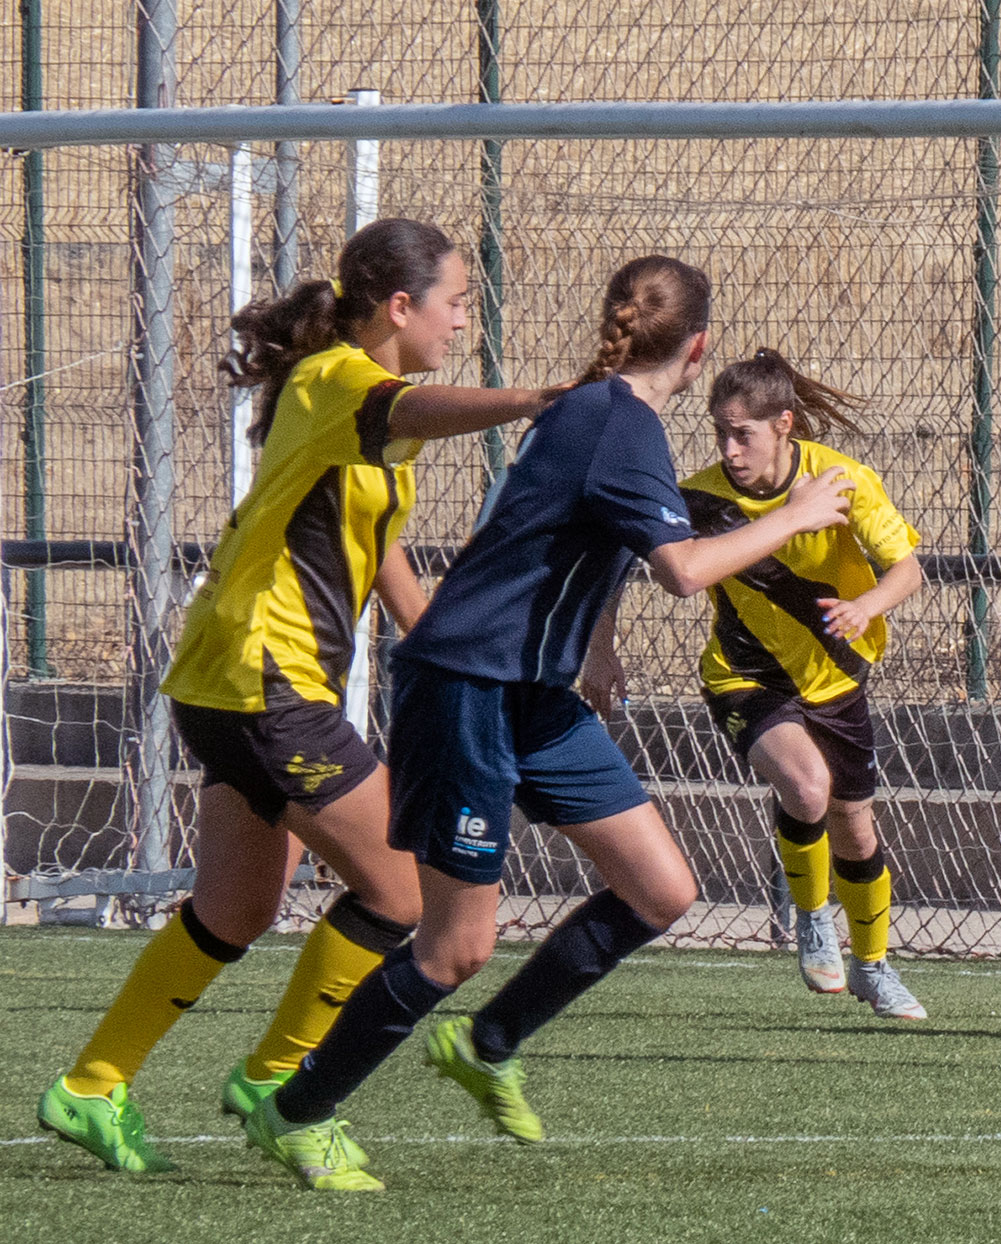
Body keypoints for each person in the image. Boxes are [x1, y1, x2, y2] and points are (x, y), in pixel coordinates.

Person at [243, 255, 856, 1191]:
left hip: (532, 690)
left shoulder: (601, 415)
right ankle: (297, 1111)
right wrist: (796, 512)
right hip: (467, 686)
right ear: (698, 349)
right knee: (455, 945)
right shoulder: (618, 424)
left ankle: (488, 1042)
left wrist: (593, 644)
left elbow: (582, 539)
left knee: (660, 890)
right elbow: (682, 570)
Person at [35, 218, 560, 1173]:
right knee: (401, 888)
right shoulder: (338, 382)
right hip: (263, 678)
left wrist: (448, 650)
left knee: (235, 908)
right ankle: (278, 1078)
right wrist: (538, 400)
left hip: (235, 680)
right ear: (398, 308)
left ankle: (92, 1085)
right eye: (453, 304)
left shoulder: (366, 413)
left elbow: (380, 550)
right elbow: (413, 407)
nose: (460, 323)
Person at [660, 348, 926, 1017]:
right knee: (807, 788)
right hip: (744, 676)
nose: (729, 449)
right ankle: (810, 920)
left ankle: (873, 967)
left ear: (783, 425)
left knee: (855, 831)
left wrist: (867, 606)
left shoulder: (840, 481)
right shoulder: (698, 498)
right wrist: (602, 648)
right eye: (720, 433)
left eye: (742, 434)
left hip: (835, 678)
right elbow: (621, 556)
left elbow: (907, 569)